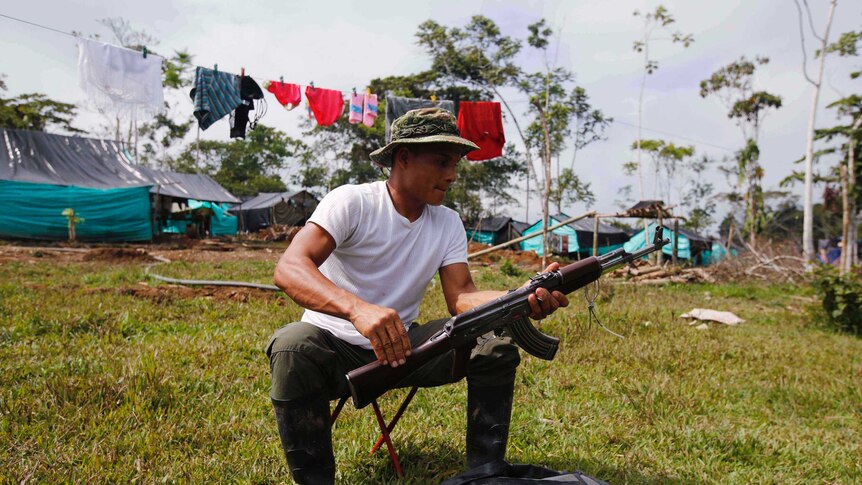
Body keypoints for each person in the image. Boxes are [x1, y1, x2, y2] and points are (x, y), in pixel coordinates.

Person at [267, 107, 569, 484]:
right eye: (441, 161)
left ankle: (485, 473)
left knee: (493, 343)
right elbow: (290, 268)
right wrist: (356, 309)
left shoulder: (447, 222)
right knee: (291, 344)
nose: (452, 175)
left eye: (455, 164)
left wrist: (520, 298)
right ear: (403, 157)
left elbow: (461, 298)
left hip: (404, 349)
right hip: (332, 346)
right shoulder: (353, 202)